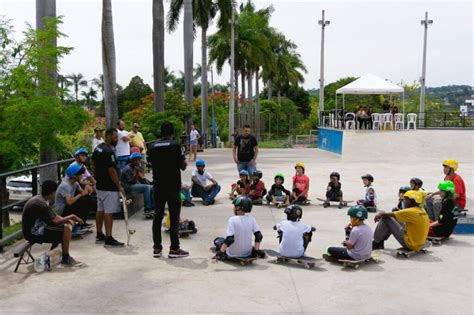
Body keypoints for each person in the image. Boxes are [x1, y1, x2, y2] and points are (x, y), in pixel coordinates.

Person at [149, 122, 189, 258]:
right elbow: (182, 166)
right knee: (174, 216)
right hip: (173, 186)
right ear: (172, 132)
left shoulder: (152, 145)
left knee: (157, 216)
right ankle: (174, 248)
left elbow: (150, 163)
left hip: (158, 186)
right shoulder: (176, 145)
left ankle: (157, 248)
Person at [22, 180, 83, 267]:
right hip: (33, 232)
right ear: (52, 193)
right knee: (66, 228)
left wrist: (68, 218)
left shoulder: (41, 199)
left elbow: (54, 217)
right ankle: (66, 258)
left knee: (65, 224)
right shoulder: (41, 204)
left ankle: (53, 251)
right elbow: (55, 221)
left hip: (36, 228)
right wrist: (72, 216)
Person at [91, 127, 125, 247]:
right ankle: (108, 237)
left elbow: (93, 162)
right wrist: (118, 185)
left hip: (100, 184)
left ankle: (99, 234)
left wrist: (96, 175)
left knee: (100, 210)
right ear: (109, 136)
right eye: (115, 137)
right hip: (109, 186)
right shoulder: (108, 151)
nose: (116, 139)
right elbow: (112, 170)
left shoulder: (98, 148)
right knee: (109, 212)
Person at [212, 196, 265, 261]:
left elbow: (230, 239)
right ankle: (255, 250)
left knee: (218, 240)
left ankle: (223, 253)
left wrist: (220, 253)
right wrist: (257, 250)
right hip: (247, 252)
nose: (234, 208)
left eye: (235, 206)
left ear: (238, 207)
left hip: (232, 253)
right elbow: (259, 236)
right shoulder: (252, 219)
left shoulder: (232, 219)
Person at [55, 164, 94, 230]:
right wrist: (81, 194)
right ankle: (78, 224)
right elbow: (69, 202)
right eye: (80, 174)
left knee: (88, 199)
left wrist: (88, 190)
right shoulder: (65, 185)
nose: (82, 176)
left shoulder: (75, 183)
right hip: (62, 212)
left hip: (69, 208)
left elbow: (83, 193)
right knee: (83, 201)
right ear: (74, 176)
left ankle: (82, 222)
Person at [120, 152, 154, 216]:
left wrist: (141, 174)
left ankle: (153, 207)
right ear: (131, 160)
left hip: (133, 185)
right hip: (127, 187)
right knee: (146, 188)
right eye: (135, 160)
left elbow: (141, 178)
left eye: (138, 160)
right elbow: (132, 182)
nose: (137, 162)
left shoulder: (136, 166)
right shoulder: (128, 169)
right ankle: (147, 209)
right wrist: (137, 172)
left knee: (152, 187)